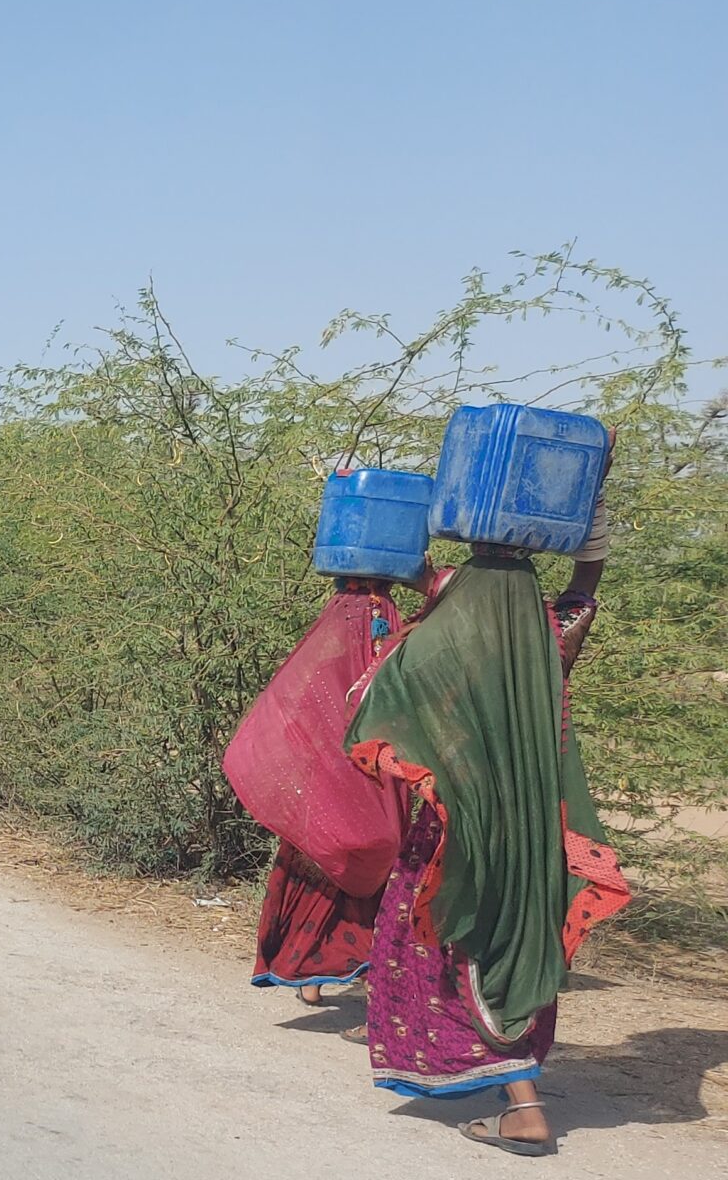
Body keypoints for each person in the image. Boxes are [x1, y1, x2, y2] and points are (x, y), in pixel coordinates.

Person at [346, 492, 626, 1157]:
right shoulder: (550, 638)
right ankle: (513, 1091)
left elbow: (366, 711)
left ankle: (525, 1108)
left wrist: (376, 510)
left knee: (456, 947)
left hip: (460, 832)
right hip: (534, 832)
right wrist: (592, 495)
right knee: (516, 943)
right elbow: (587, 578)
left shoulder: (440, 645)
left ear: (459, 597)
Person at [242, 577, 398, 1006]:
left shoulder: (325, 664)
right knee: (370, 870)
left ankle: (311, 978)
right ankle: (362, 972)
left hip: (327, 793)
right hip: (372, 791)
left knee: (322, 869)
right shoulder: (393, 660)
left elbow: (297, 719)